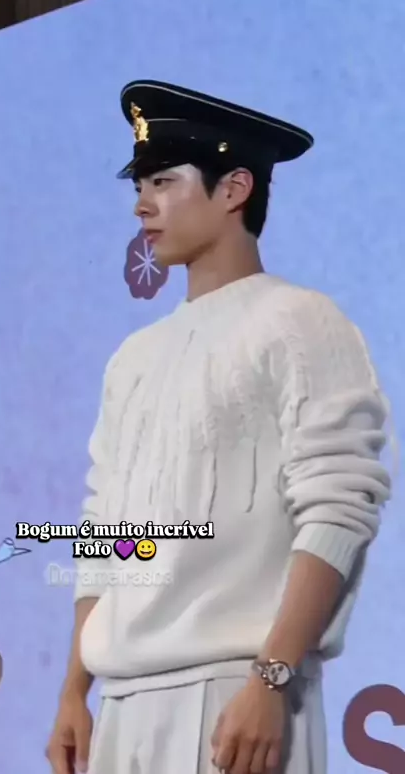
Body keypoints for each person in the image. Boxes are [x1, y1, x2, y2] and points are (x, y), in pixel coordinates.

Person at [46, 80, 391, 774]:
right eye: (140, 185)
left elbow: (339, 506)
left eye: (163, 181)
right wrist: (74, 691)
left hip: (236, 694)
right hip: (123, 701)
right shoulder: (133, 358)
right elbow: (106, 528)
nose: (142, 204)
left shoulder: (299, 320)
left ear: (235, 188)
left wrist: (271, 677)